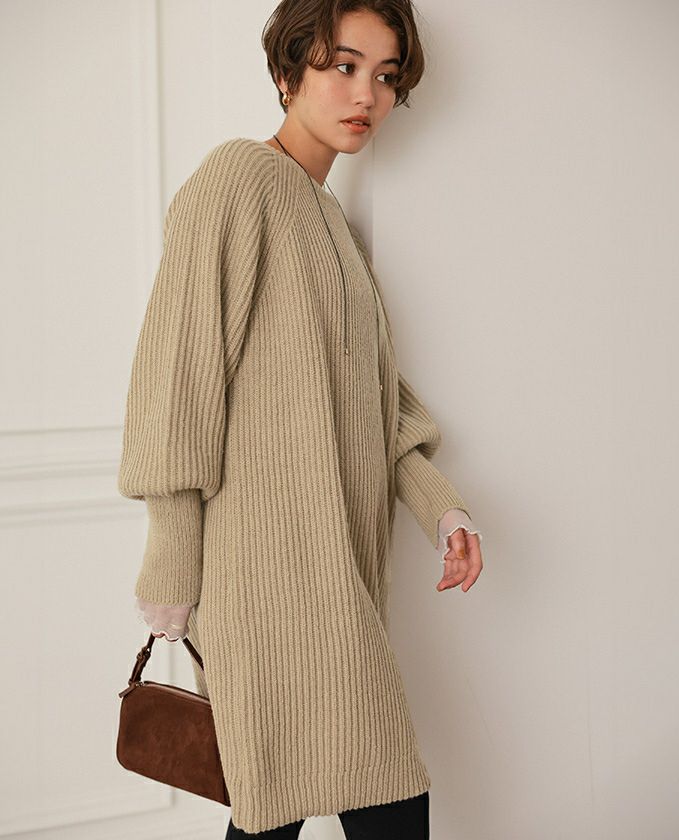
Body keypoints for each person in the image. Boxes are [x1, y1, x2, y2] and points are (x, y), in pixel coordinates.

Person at [118, 0, 484, 836]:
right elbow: (176, 377)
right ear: (289, 71)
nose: (366, 95)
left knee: (285, 810)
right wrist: (170, 561)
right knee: (358, 799)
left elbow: (375, 402)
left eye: (385, 76)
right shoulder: (236, 179)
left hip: (332, 569)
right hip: (261, 576)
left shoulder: (331, 224)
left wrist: (442, 509)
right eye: (343, 66)